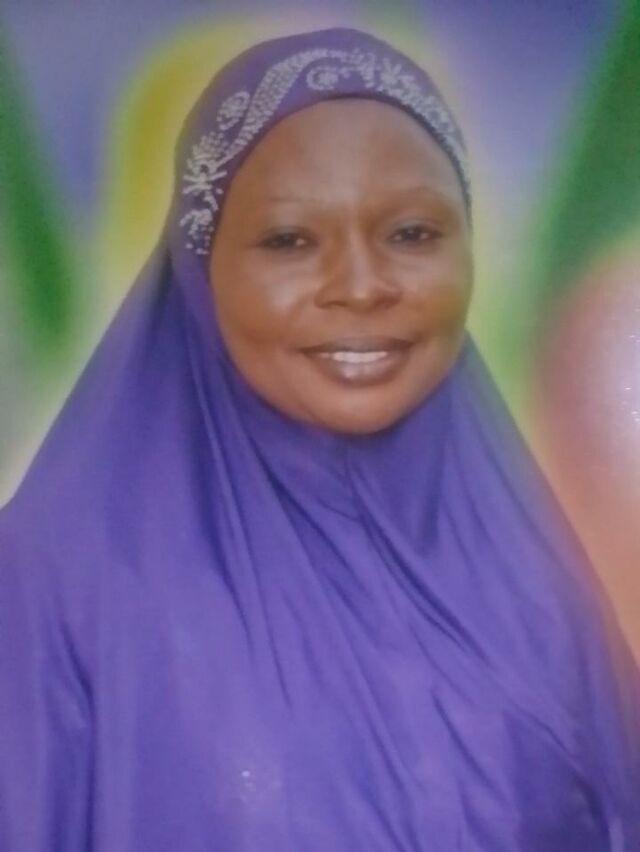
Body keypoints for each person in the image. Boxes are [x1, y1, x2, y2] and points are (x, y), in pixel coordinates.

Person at [0, 27, 638, 851]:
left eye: (412, 233)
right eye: (290, 240)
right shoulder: (54, 592)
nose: (363, 286)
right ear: (198, 267)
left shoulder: (541, 590)